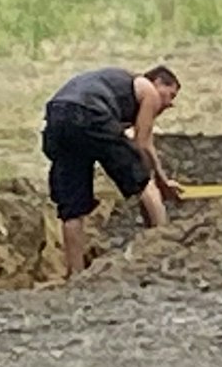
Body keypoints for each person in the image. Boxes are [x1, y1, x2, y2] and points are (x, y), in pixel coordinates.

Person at [41, 65, 184, 278]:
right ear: (157, 83)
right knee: (142, 180)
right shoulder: (148, 90)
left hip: (58, 115)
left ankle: (75, 274)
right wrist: (158, 182)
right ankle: (162, 245)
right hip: (90, 112)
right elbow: (143, 144)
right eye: (170, 94)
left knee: (72, 209)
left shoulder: (117, 86)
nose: (169, 103)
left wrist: (163, 180)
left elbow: (144, 143)